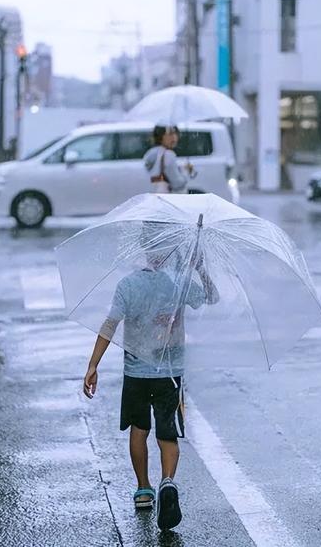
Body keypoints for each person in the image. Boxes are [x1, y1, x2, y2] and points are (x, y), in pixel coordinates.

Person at [82, 226, 218, 531]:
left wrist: (93, 365)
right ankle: (167, 481)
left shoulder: (129, 285)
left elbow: (110, 324)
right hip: (170, 373)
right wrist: (200, 268)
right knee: (167, 433)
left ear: (146, 249)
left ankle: (143, 489)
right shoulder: (179, 284)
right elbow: (212, 295)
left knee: (138, 429)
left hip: (136, 372)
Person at [143, 125, 193, 194]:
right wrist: (186, 171)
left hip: (154, 195)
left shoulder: (152, 152)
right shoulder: (168, 154)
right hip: (167, 198)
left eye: (176, 133)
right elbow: (178, 183)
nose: (174, 137)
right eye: (170, 134)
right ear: (160, 136)